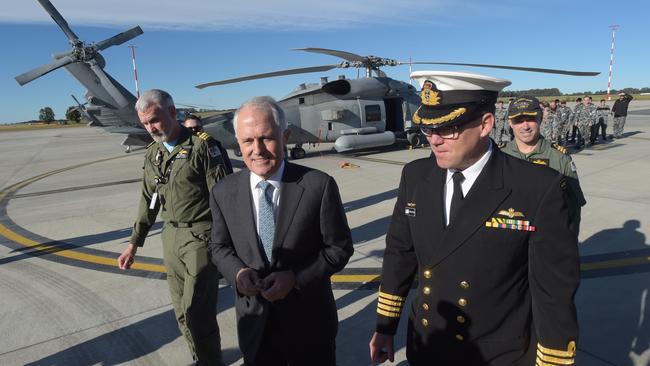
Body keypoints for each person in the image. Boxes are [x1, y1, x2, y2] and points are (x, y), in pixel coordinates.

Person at [369, 72, 579, 365]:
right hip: (427, 344)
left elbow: (553, 290)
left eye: (449, 128)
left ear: (485, 125)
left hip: (496, 353)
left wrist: (554, 359)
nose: (435, 140)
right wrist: (385, 326)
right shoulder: (415, 176)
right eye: (429, 129)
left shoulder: (537, 188)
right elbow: (399, 254)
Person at [208, 96, 354, 366]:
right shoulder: (222, 192)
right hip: (255, 325)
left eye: (266, 138)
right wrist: (238, 273)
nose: (258, 150)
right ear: (237, 143)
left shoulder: (317, 186)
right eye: (248, 141)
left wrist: (296, 278)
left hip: (310, 326)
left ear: (285, 135)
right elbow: (218, 247)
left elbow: (340, 248)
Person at [117, 89, 233, 365]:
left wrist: (228, 246)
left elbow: (224, 199)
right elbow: (148, 200)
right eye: (145, 123)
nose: (150, 128)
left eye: (154, 120)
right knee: (181, 312)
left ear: (172, 112)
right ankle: (200, 358)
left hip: (201, 238)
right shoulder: (153, 152)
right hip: (171, 237)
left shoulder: (203, 146)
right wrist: (134, 243)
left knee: (197, 313)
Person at [501, 96, 586, 236]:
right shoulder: (499, 156)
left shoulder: (559, 158)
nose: (525, 126)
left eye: (530, 119)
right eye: (518, 120)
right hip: (508, 239)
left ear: (540, 118)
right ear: (510, 123)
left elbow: (573, 207)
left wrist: (569, 244)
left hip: (546, 237)